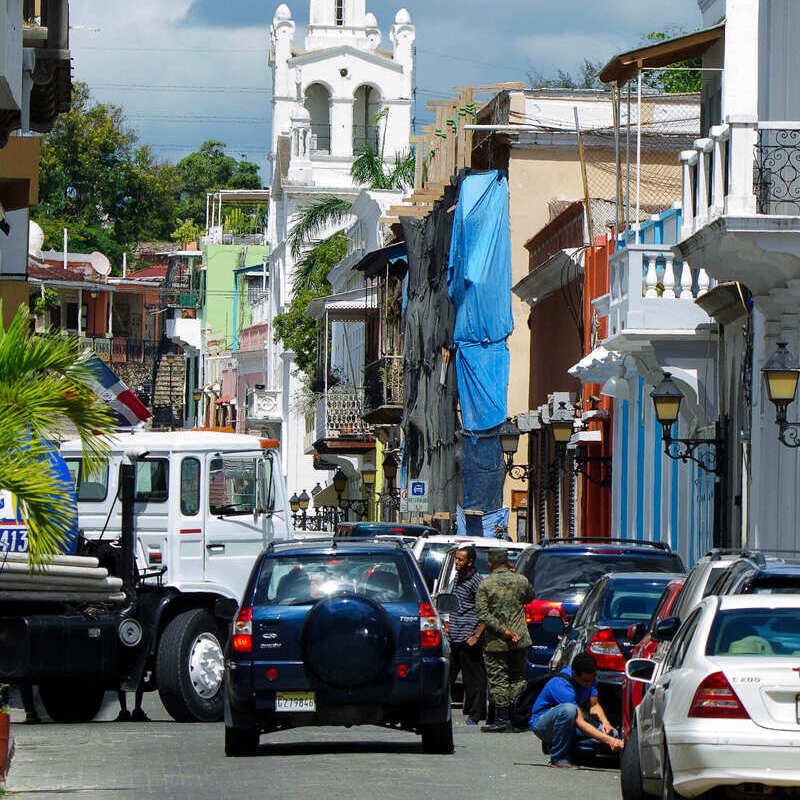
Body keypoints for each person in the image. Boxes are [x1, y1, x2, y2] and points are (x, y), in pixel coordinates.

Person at [529, 651, 624, 768]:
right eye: (585, 681)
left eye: (591, 680)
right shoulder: (561, 684)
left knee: (612, 734)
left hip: (572, 723)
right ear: (574, 674)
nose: (588, 684)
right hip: (544, 724)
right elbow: (580, 722)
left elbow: (594, 705)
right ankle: (558, 758)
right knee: (569, 710)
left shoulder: (591, 678)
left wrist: (606, 723)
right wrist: (610, 741)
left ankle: (562, 744)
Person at [475, 547, 533, 733]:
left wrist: (503, 630)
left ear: (491, 563)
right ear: (507, 562)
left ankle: (502, 719)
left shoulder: (486, 584)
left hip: (497, 641)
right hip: (520, 638)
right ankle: (518, 717)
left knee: (499, 679)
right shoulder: (521, 581)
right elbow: (529, 598)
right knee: (517, 678)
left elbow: (483, 613)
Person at [448, 545, 487, 725]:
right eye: (456, 559)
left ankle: (476, 713)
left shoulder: (476, 582)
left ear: (470, 562)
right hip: (455, 635)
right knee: (449, 674)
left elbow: (486, 613)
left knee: (473, 678)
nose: (457, 563)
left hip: (469, 636)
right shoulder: (459, 578)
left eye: (460, 560)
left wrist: (476, 636)